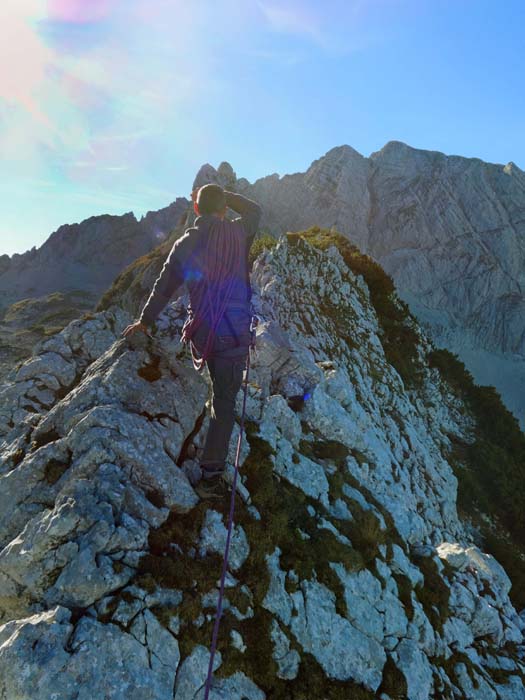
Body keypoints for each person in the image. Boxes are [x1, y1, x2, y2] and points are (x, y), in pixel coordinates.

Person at [122, 184, 262, 499]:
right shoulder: (238, 233)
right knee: (224, 401)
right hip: (234, 329)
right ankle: (211, 475)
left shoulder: (188, 242)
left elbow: (165, 284)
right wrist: (229, 195)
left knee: (217, 387)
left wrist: (145, 322)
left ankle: (200, 434)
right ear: (224, 210)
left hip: (203, 329)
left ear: (196, 210)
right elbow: (256, 212)